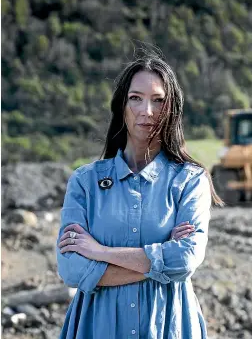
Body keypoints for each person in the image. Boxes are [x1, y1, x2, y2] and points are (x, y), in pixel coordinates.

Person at [55, 50, 223, 339]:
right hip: (98, 328)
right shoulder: (85, 182)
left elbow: (185, 260)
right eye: (136, 98)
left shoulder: (190, 180)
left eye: (158, 100)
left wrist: (100, 252)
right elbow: (71, 270)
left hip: (168, 327)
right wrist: (160, 260)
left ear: (171, 109)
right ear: (122, 104)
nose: (147, 111)